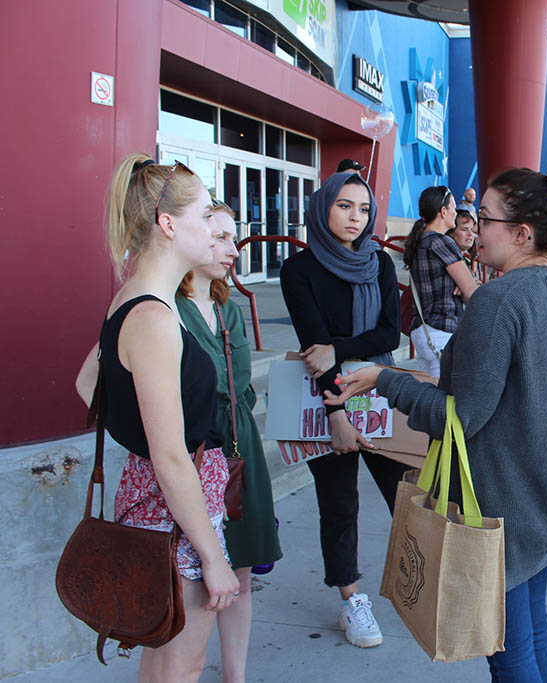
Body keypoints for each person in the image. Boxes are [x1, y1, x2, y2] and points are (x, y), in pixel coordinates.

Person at [326, 164, 547, 682]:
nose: (473, 228)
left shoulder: (499, 301)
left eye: (484, 218)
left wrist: (385, 379)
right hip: (545, 499)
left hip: (500, 507)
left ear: (522, 233)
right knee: (531, 628)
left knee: (506, 648)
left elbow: (457, 417)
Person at [73, 155, 239, 681]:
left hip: (161, 504)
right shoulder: (154, 316)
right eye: (204, 212)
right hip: (174, 514)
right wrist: (213, 557)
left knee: (163, 658)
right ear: (169, 225)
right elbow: (169, 455)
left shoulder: (135, 302)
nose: (213, 225)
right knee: (183, 665)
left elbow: (87, 386)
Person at [279, 171, 409, 648]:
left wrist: (336, 346)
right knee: (339, 504)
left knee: (405, 492)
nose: (356, 217)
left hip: (378, 390)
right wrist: (336, 413)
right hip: (325, 397)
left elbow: (389, 335)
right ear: (323, 208)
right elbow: (312, 350)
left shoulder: (379, 264)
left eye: (363, 209)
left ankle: (418, 580)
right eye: (344, 206)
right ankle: (352, 599)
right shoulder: (299, 269)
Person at [175, 201, 282, 682]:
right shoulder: (163, 309)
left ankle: (234, 676)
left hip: (241, 452)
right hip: (192, 456)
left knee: (238, 573)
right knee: (191, 579)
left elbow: (242, 385)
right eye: (218, 237)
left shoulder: (228, 308)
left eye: (234, 238)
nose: (232, 250)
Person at [403, 185, 479, 376]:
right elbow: (471, 291)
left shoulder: (420, 240)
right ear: (443, 211)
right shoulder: (441, 241)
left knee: (430, 396)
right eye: (453, 208)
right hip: (442, 331)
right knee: (446, 400)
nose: (455, 212)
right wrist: (465, 287)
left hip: (423, 331)